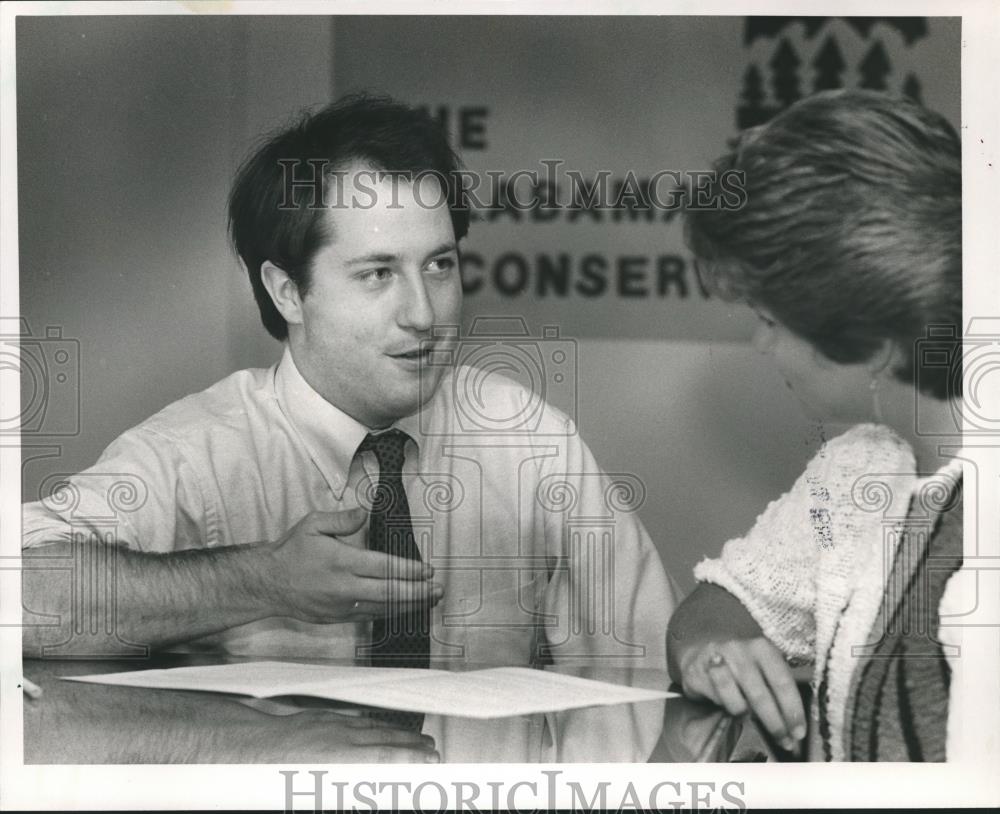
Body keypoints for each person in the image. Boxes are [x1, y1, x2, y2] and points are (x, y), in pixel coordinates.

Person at [22, 94, 674, 673]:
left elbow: (648, 661)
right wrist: (258, 581)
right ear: (288, 292)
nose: (424, 313)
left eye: (440, 265)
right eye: (378, 274)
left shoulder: (527, 438)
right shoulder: (194, 454)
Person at [668, 89, 964, 761]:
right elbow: (714, 612)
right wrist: (711, 654)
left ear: (869, 338)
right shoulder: (863, 465)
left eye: (772, 319)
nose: (761, 345)